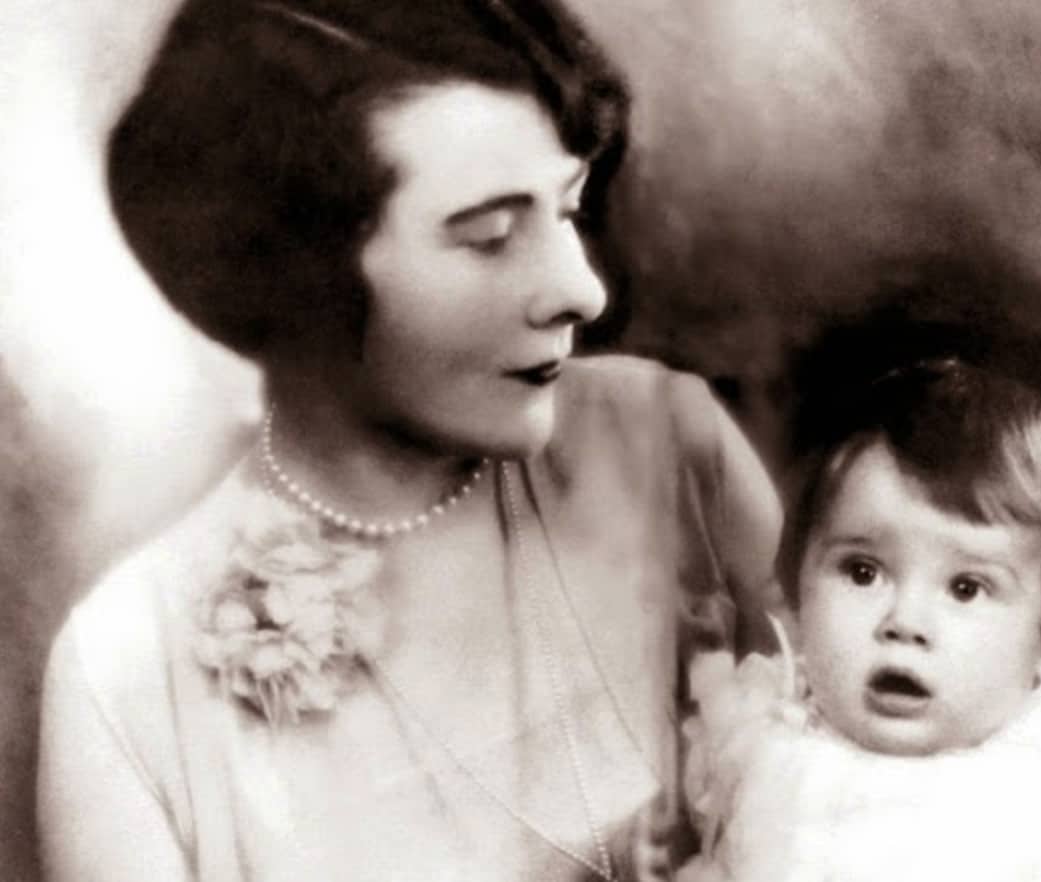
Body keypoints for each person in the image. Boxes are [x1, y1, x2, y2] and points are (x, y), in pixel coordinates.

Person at [36, 1, 785, 879]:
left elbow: (887, 796)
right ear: (299, 275)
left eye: (569, 210)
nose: (581, 292)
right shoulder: (128, 673)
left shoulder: (661, 441)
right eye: (491, 238)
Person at [678, 359, 1041, 882]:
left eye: (965, 588)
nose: (905, 622)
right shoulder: (762, 747)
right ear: (796, 602)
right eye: (863, 572)